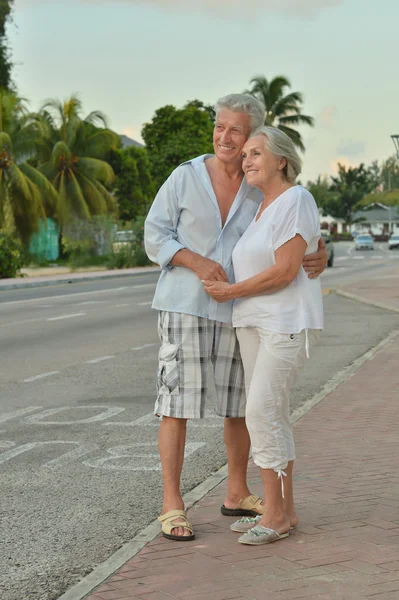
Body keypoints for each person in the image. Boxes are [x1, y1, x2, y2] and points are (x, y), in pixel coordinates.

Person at [144, 94, 327, 542]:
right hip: (185, 302)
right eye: (220, 127)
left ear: (255, 138)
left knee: (240, 408)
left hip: (239, 311)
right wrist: (195, 261)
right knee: (176, 404)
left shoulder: (258, 182)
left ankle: (238, 492)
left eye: (237, 131)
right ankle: (172, 504)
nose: (226, 138)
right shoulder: (185, 177)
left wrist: (323, 251)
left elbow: (291, 235)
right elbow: (154, 236)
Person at [203, 126, 323, 545]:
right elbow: (312, 245)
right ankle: (284, 509)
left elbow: (287, 269)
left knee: (258, 414)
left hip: (284, 324)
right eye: (246, 154)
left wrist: (230, 291)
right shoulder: (261, 207)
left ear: (282, 161)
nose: (247, 159)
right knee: (272, 414)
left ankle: (273, 513)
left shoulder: (296, 197)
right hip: (251, 323)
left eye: (257, 153)